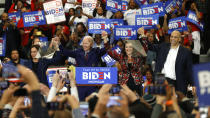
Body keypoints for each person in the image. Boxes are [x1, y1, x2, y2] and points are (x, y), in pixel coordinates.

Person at [60, 35, 108, 101]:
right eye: (83, 43)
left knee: (91, 103)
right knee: (80, 103)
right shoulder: (78, 52)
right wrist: (59, 44)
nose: (84, 45)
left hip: (92, 83)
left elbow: (106, 49)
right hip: (80, 84)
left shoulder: (96, 51)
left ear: (91, 44)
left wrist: (105, 39)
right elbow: (66, 52)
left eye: (86, 43)